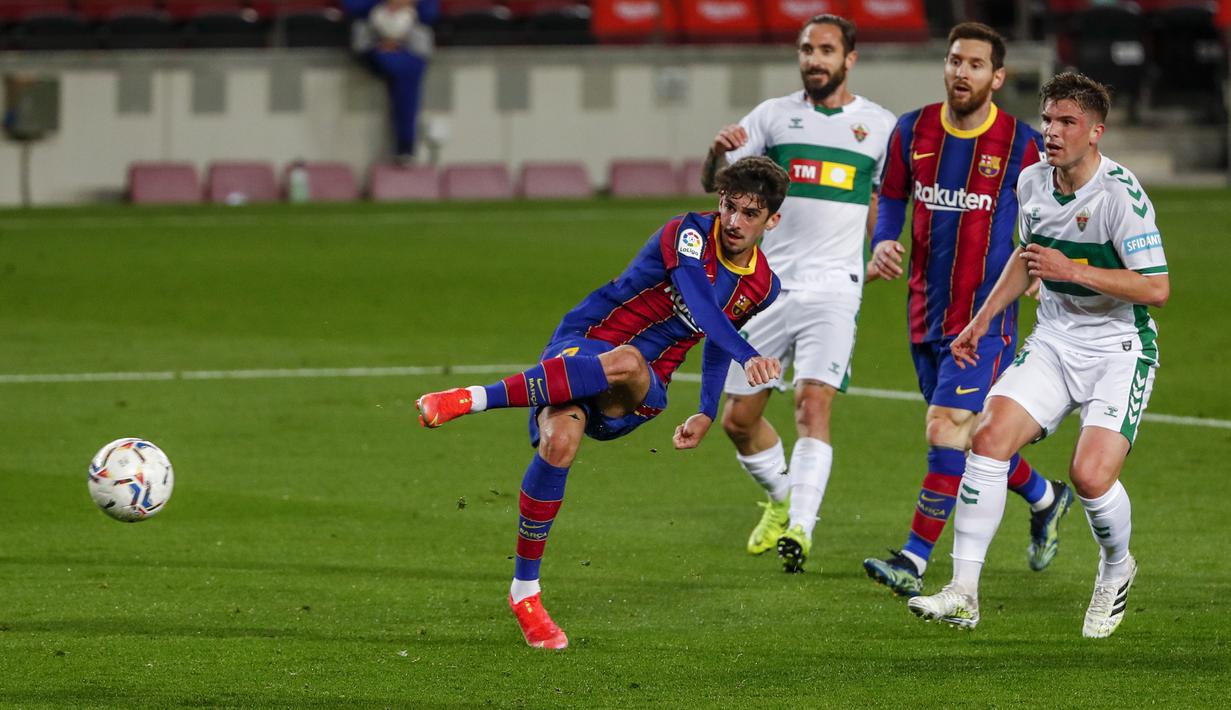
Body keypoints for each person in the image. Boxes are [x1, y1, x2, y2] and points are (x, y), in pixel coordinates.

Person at [415, 157, 789, 649]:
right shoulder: (689, 234)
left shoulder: (764, 285)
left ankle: (473, 398)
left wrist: (705, 408)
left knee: (631, 362)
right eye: (729, 206)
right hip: (582, 343)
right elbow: (700, 301)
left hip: (642, 386)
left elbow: (719, 332)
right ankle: (525, 594)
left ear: (772, 221)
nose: (735, 221)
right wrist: (750, 355)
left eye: (749, 213)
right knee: (560, 443)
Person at [908, 72, 1168, 638]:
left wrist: (1073, 270)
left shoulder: (1121, 195)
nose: (1051, 131)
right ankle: (963, 593)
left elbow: (1156, 289)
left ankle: (1116, 566)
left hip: (1118, 349)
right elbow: (1027, 260)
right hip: (1054, 339)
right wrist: (980, 321)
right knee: (988, 438)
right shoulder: (1031, 182)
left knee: (1090, 475)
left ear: (1095, 132)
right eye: (1048, 118)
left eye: (1066, 122)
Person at [862, 22, 1073, 597]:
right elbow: (894, 196)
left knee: (945, 427)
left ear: (997, 77)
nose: (962, 72)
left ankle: (913, 558)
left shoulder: (1022, 143)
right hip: (924, 311)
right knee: (976, 434)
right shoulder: (912, 130)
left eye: (976, 64)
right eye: (955, 60)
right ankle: (1046, 498)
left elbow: (1058, 204)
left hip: (986, 317)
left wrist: (1044, 268)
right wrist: (883, 239)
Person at [701, 14, 895, 573]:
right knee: (738, 419)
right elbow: (719, 186)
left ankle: (803, 528)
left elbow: (887, 199)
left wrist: (881, 243)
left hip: (835, 288)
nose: (814, 59)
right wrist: (716, 154)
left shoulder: (879, 127)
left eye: (826, 49)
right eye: (806, 49)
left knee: (813, 405)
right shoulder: (773, 117)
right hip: (764, 287)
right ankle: (784, 500)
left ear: (849, 58)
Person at [343, 0, 439, 163]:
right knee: (399, 68)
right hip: (374, 41)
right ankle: (404, 145)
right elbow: (351, 6)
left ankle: (405, 145)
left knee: (408, 71)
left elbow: (430, 13)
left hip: (411, 46)